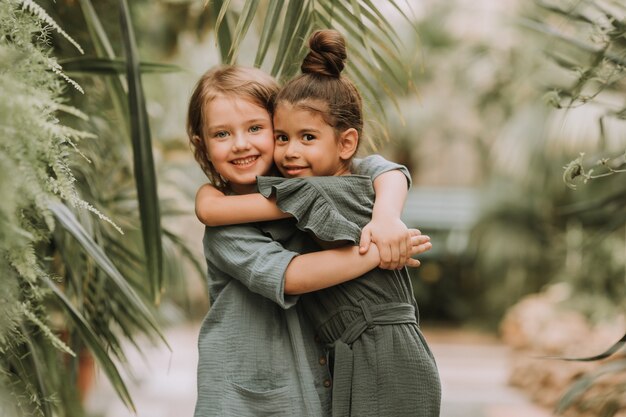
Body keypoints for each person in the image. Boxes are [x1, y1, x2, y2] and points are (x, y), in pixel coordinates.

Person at [193, 30, 442, 417]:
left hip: (314, 386)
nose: (241, 143)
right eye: (222, 134)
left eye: (257, 129)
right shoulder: (228, 229)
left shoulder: (310, 179)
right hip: (244, 399)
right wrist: (378, 250)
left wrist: (386, 217)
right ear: (202, 145)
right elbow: (293, 275)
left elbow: (383, 168)